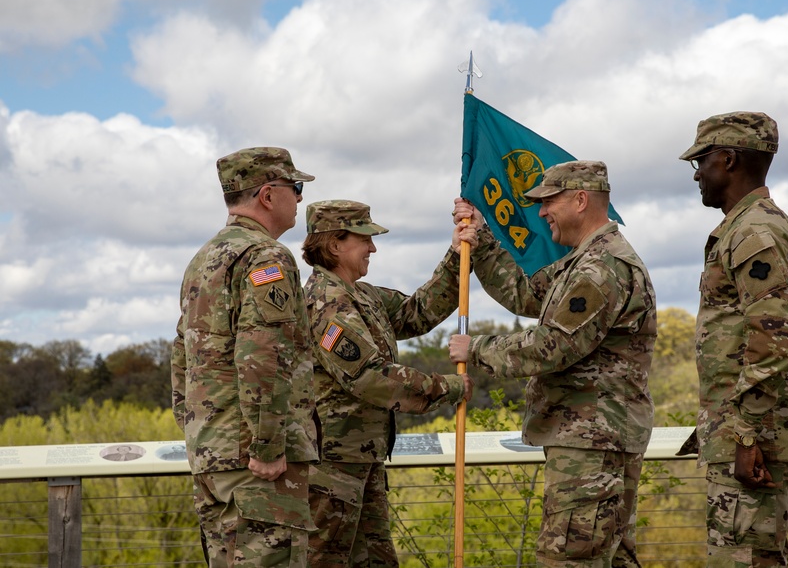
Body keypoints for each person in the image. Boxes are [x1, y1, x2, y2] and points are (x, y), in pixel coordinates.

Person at [449, 160, 657, 568]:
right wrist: (482, 238)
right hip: (592, 440)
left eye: (549, 202)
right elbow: (525, 294)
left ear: (581, 200)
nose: (542, 213)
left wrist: (476, 350)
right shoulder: (584, 261)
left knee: (569, 558)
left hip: (593, 443)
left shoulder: (601, 268)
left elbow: (554, 345)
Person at [679, 112, 788, 567]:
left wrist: (745, 433)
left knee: (741, 558)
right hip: (750, 426)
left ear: (728, 159)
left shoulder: (753, 230)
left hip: (758, 431)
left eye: (701, 162)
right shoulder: (747, 226)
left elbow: (775, 336)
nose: (698, 175)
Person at [302, 199, 476, 567]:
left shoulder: (362, 296)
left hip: (361, 460)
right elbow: (371, 377)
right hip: (332, 466)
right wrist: (447, 387)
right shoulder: (326, 303)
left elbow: (418, 311)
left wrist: (457, 251)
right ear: (335, 244)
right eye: (364, 238)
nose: (373, 247)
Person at [171, 147, 319, 568]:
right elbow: (263, 354)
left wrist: (197, 429)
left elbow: (181, 351)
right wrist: (267, 445)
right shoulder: (265, 255)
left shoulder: (204, 259)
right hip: (255, 463)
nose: (300, 199)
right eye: (295, 188)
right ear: (268, 195)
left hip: (214, 454)